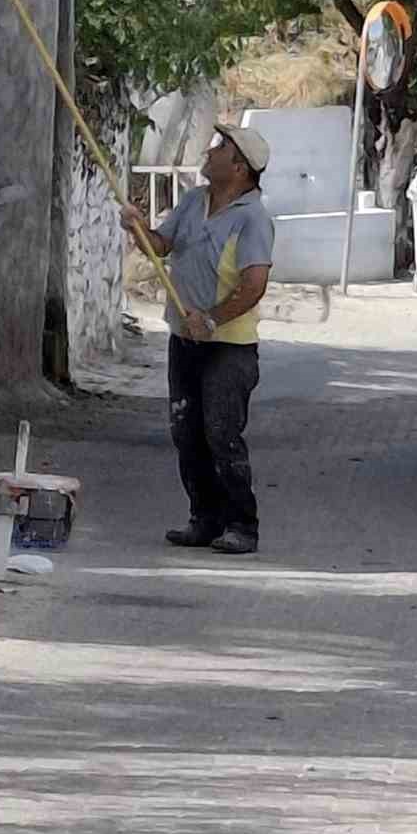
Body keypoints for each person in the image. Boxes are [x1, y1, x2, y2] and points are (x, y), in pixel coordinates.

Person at [120, 124, 274, 555]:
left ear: (240, 167)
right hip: (185, 339)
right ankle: (204, 518)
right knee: (186, 432)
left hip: (230, 347)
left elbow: (254, 284)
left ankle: (242, 524)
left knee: (221, 433)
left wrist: (212, 319)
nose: (211, 150)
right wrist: (136, 227)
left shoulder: (252, 219)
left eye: (221, 147)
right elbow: (161, 244)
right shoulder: (193, 202)